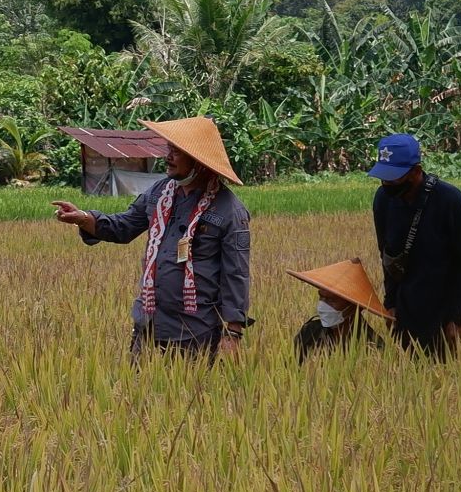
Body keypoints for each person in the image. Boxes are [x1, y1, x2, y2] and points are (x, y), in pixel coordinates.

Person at [53, 117, 251, 358]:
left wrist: (233, 334)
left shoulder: (229, 211)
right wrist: (83, 218)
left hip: (195, 331)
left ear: (198, 162)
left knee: (189, 394)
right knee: (136, 391)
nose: (168, 157)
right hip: (149, 324)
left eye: (176, 152)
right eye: (169, 149)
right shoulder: (159, 193)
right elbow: (124, 226)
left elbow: (236, 275)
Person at [369, 133, 461, 358]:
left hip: (449, 318)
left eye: (393, 178)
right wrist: (390, 302)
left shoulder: (450, 201)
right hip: (409, 316)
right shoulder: (383, 200)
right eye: (383, 178)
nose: (387, 184)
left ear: (416, 171)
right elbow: (387, 256)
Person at [287, 258, 389, 365]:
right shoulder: (310, 331)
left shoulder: (373, 346)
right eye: (321, 297)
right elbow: (290, 370)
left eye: (332, 300)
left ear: (355, 307)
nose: (323, 305)